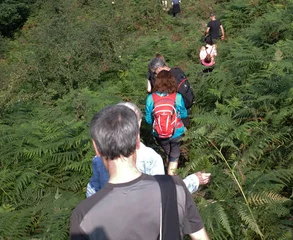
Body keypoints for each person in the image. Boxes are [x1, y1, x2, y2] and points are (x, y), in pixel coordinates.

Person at [71, 104, 209, 240]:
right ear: (137, 139)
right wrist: (194, 180)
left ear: (96, 148)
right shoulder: (175, 188)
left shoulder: (83, 215)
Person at [86, 101, 211, 197]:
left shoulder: (99, 159)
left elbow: (92, 193)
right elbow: (162, 195)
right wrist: (193, 180)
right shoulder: (150, 158)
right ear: (138, 124)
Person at [146, 71, 187, 175]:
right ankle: (172, 180)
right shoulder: (177, 97)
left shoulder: (151, 98)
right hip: (176, 132)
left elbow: (148, 120)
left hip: (159, 134)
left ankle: (168, 165)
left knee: (168, 152)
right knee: (174, 156)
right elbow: (184, 114)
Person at [147, 57, 194, 127]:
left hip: (172, 114)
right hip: (186, 105)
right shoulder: (178, 71)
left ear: (159, 68)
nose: (155, 75)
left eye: (154, 72)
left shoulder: (166, 78)